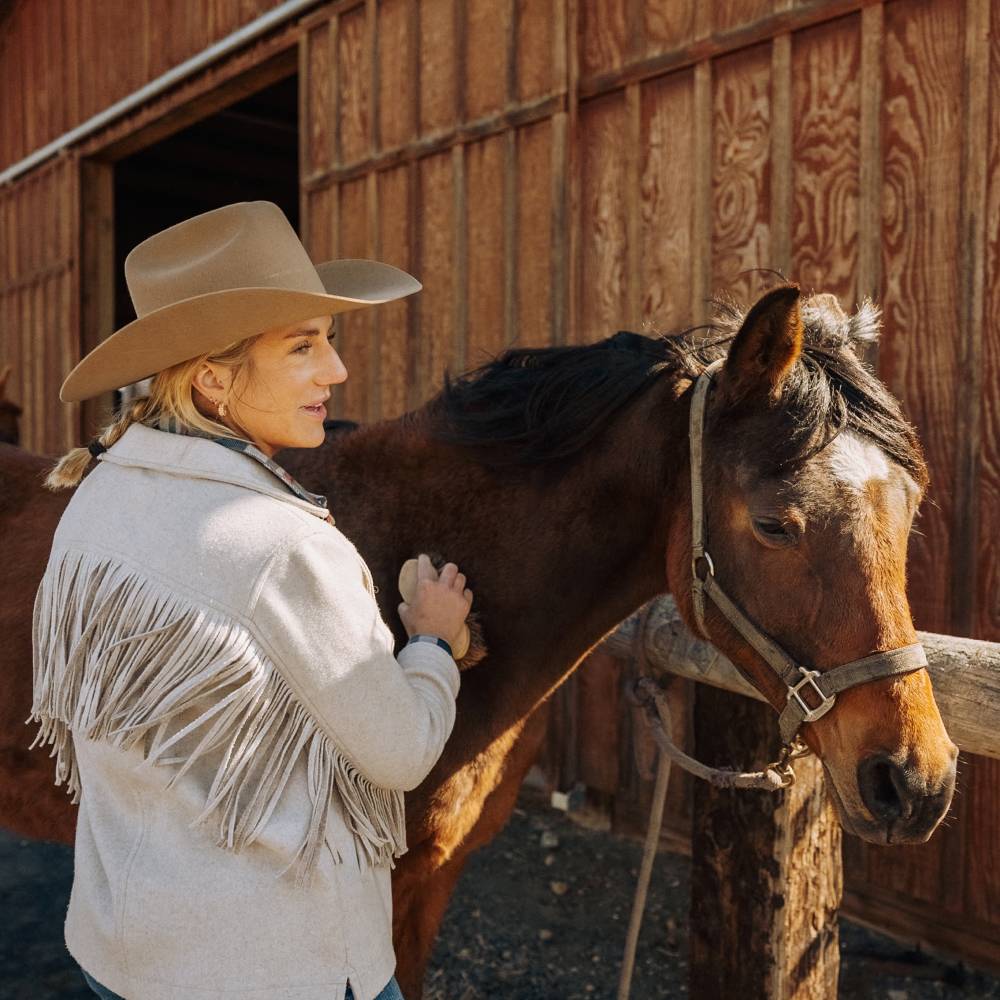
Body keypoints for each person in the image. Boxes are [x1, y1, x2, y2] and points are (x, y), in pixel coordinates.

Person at [31, 201, 472, 1000]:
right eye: (303, 346)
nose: (335, 371)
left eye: (328, 341)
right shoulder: (283, 545)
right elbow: (401, 752)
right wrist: (433, 645)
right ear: (212, 379)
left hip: (122, 952)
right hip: (277, 968)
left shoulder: (96, 498)